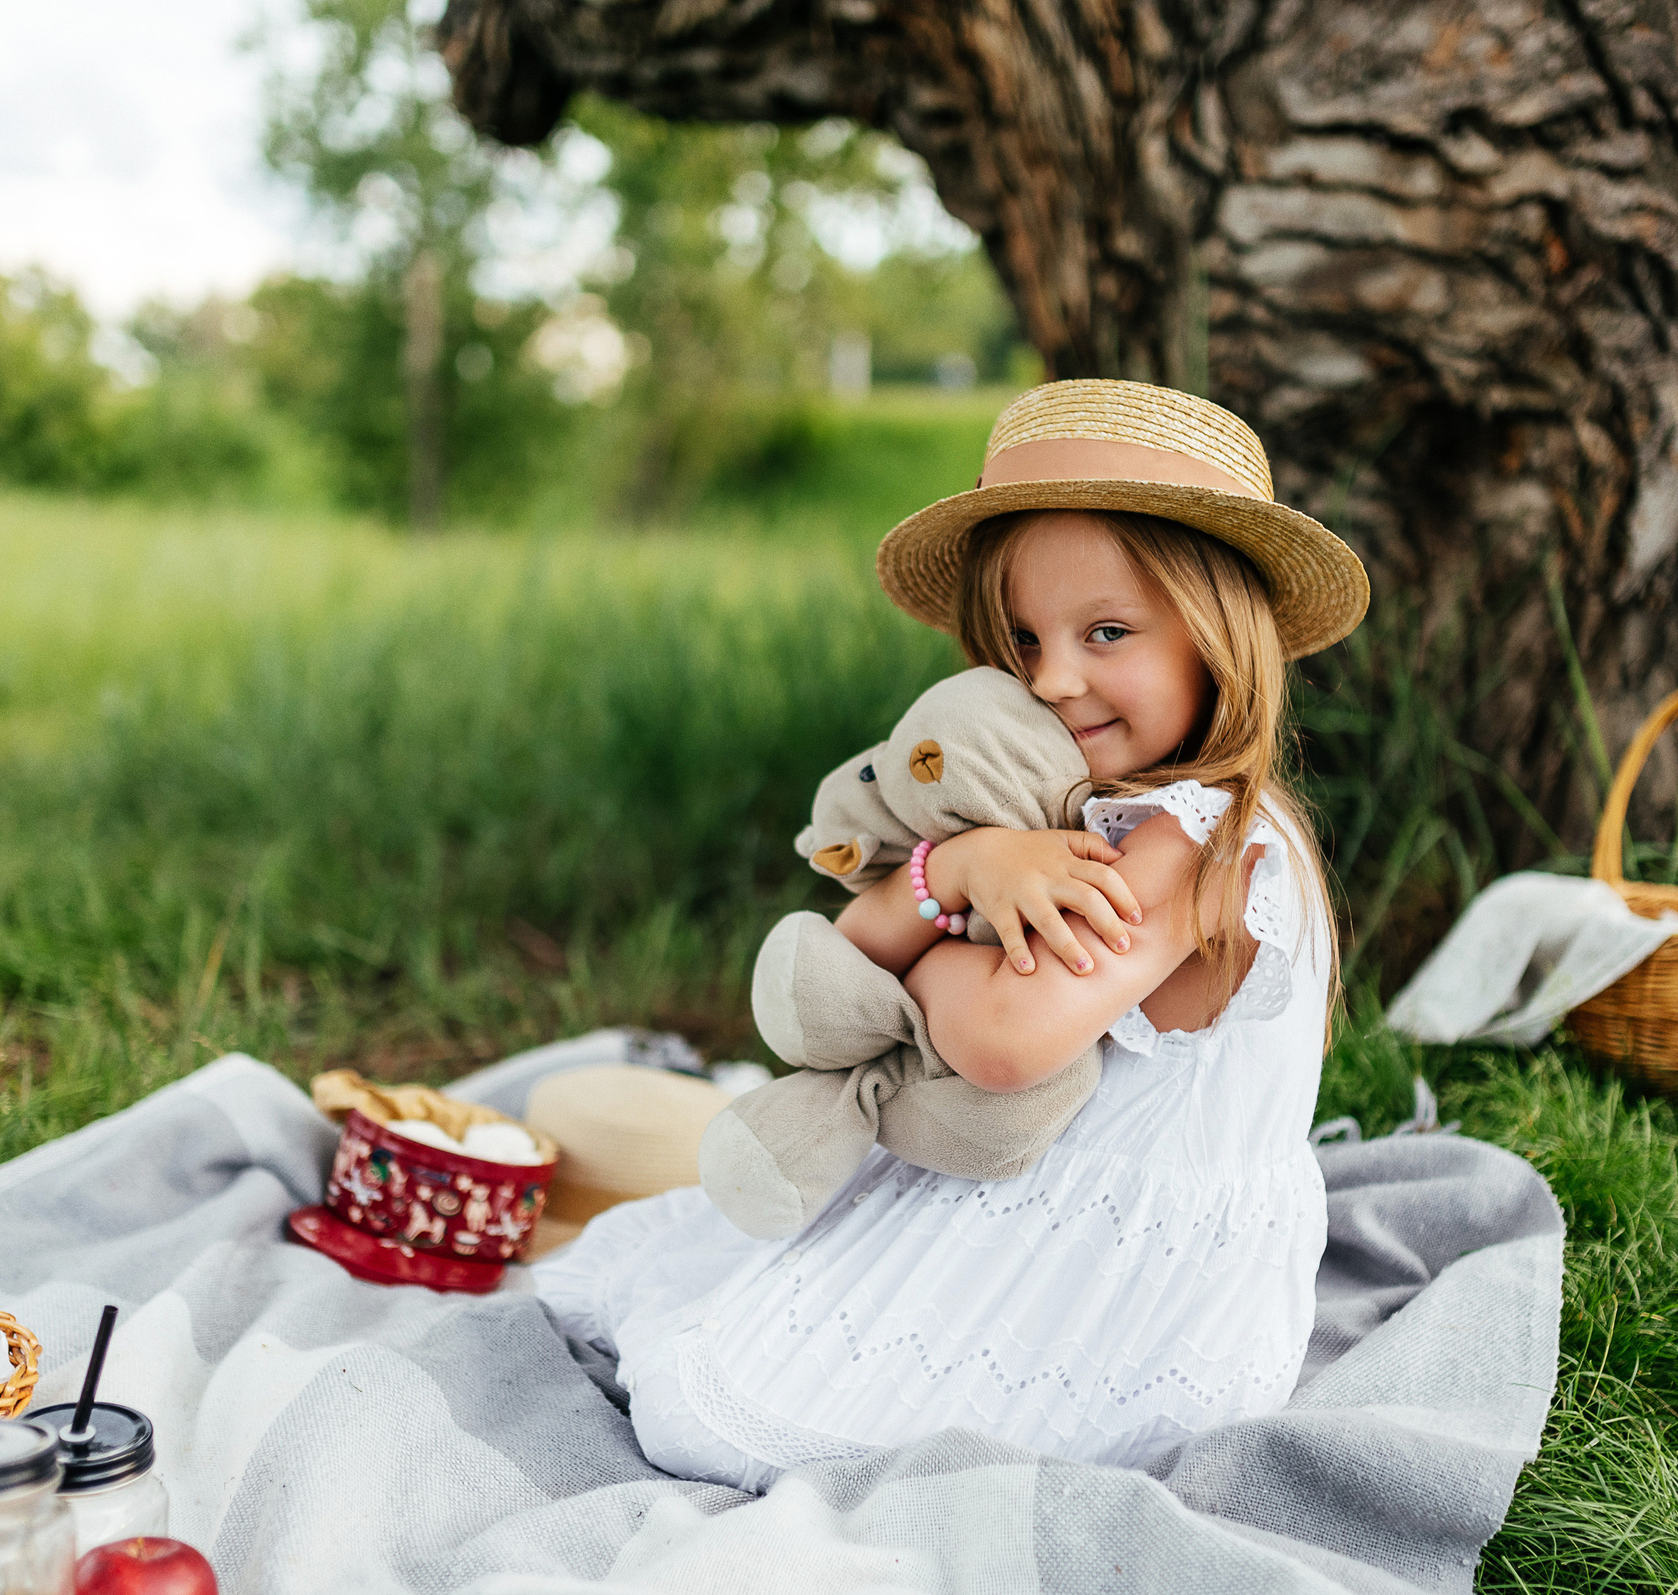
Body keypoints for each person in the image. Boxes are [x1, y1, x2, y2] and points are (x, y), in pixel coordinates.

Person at [532, 378, 1370, 1490]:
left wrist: (921, 915)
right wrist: (952, 870)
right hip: (1018, 1185)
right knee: (689, 1285)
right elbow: (845, 965)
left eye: (1106, 631)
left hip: (1118, 1284)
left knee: (710, 1406)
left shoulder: (1200, 839)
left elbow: (1000, 1038)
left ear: (1220, 641)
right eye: (1023, 639)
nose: (1053, 679)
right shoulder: (1070, 814)